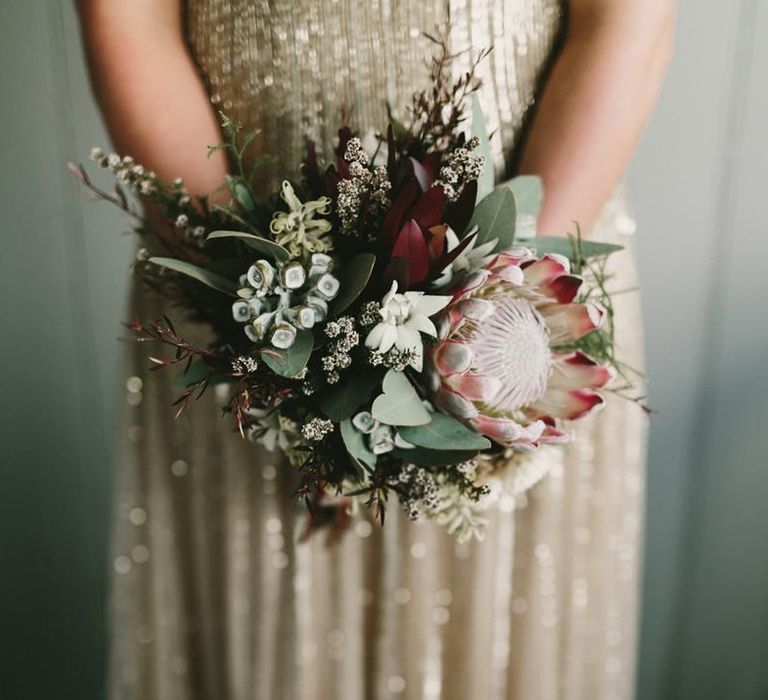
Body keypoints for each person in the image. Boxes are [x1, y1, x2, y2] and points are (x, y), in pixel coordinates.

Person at [76, 1, 674, 698]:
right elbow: (128, 20)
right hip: (242, 288)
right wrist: (260, 320)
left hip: (538, 264)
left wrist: (500, 315)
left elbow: (626, 25)